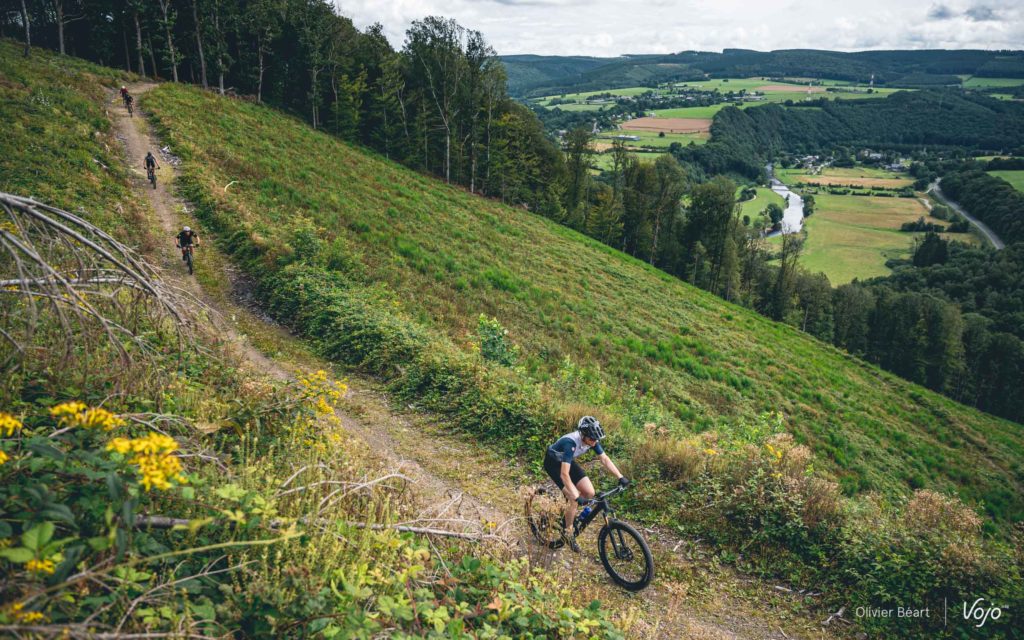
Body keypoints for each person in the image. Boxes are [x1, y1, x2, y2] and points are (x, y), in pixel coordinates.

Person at [543, 416, 628, 552]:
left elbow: (604, 459)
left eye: (596, 439)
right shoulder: (570, 443)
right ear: (583, 435)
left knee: (589, 492)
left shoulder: (592, 440)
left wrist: (620, 476)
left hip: (566, 461)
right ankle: (568, 533)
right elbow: (564, 474)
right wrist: (576, 496)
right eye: (592, 439)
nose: (594, 442)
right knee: (573, 498)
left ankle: (567, 513)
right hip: (553, 464)